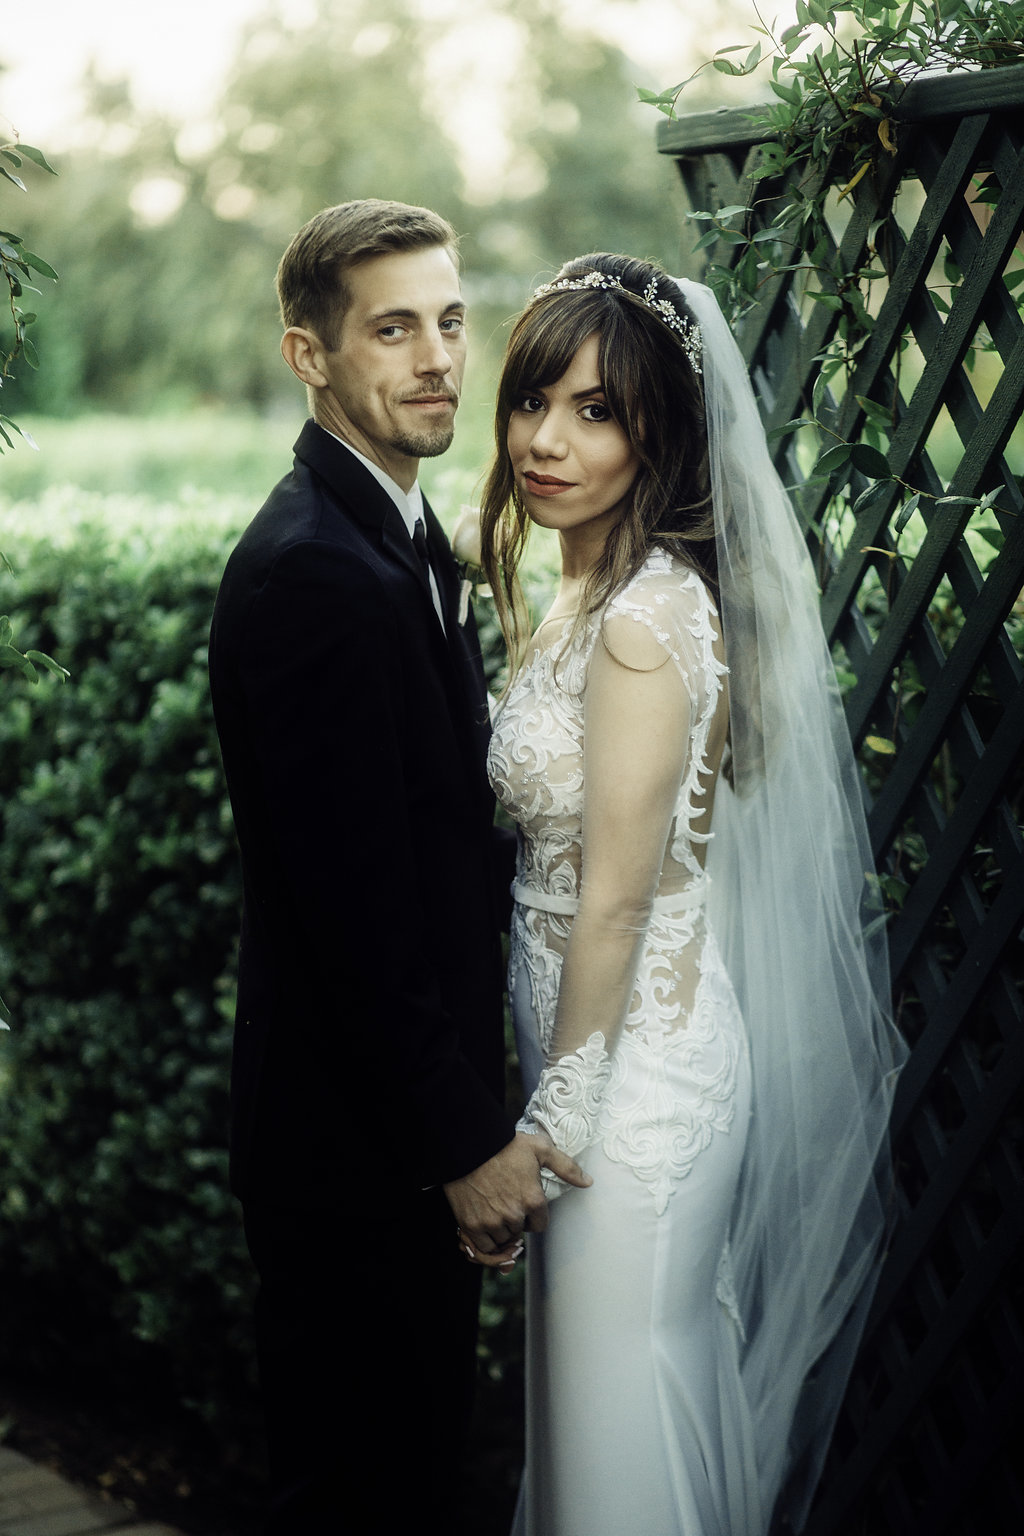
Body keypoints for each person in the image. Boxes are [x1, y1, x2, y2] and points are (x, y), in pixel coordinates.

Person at [475, 254, 906, 1536]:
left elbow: (615, 902)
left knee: (619, 1440)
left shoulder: (641, 623)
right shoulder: (594, 593)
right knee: (603, 1423)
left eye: (596, 412)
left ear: (660, 433)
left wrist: (547, 1127)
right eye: (533, 400)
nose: (548, 440)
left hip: (630, 1099)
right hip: (604, 1068)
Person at [207, 199, 587, 1533]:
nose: (437, 359)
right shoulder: (315, 573)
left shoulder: (398, 540)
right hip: (351, 1154)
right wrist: (464, 1141)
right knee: (361, 1496)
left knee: (414, 1481)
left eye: (449, 320)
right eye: (392, 329)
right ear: (309, 353)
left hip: (384, 1138)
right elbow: (348, 918)